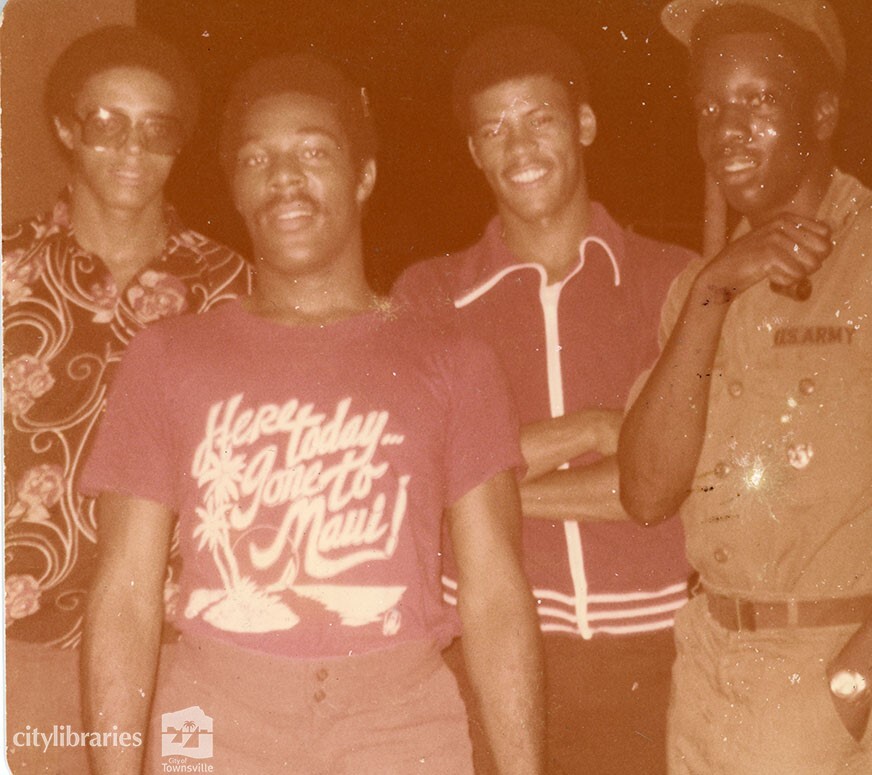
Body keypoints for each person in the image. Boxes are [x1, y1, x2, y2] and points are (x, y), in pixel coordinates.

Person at [78, 53, 544, 775]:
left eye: (314, 152)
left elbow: (496, 596)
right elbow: (125, 596)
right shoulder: (169, 355)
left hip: (401, 725)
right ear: (235, 187)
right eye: (257, 158)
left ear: (363, 178)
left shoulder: (452, 359)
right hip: (208, 714)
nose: (284, 176)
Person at [618, 1, 872, 773]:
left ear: (822, 114)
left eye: (759, 99)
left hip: (830, 674)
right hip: (705, 669)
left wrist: (859, 675)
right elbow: (647, 493)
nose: (726, 127)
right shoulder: (702, 286)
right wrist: (710, 295)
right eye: (710, 106)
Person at [393, 25, 695, 775]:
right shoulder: (432, 294)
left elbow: (672, 482)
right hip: (485, 659)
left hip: (656, 658)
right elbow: (415, 472)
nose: (518, 145)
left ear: (585, 125)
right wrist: (596, 427)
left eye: (540, 118)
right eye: (493, 128)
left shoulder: (675, 281)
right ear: (473, 151)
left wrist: (486, 488)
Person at [3, 25, 250, 774]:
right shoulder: (7, 273)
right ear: (66, 129)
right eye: (106, 124)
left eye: (157, 129)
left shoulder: (229, 289)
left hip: (185, 653)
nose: (132, 149)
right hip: (27, 645)